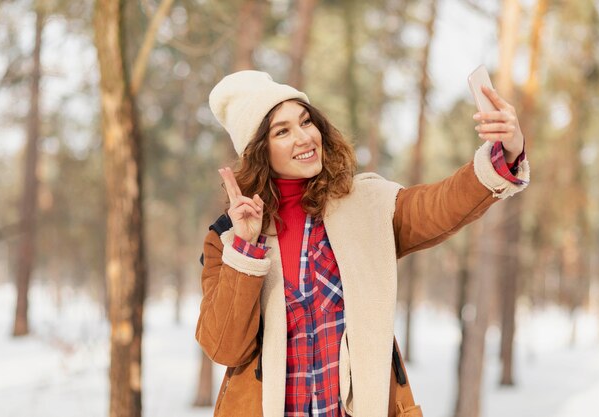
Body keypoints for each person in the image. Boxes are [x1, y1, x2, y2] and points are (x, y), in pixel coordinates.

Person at [195, 70, 529, 417]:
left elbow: (441, 204)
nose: (304, 137)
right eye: (282, 131)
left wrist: (505, 153)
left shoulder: (366, 204)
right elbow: (224, 347)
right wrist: (246, 250)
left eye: (306, 122)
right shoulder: (227, 238)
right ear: (259, 150)